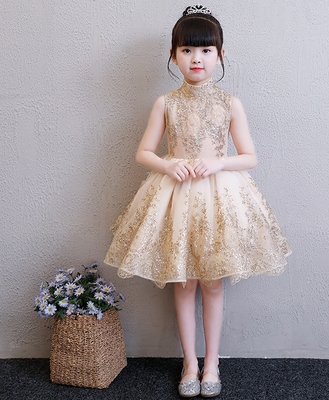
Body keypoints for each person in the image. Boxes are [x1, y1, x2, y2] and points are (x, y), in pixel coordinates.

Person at [104, 4, 291, 398]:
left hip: (219, 196)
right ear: (173, 55)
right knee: (184, 281)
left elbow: (250, 157)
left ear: (220, 54)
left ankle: (212, 364)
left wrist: (218, 162)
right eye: (187, 50)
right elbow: (144, 152)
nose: (196, 58)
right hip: (176, 197)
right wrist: (168, 165)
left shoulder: (229, 103)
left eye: (205, 50)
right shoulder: (166, 103)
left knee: (213, 283)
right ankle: (189, 362)